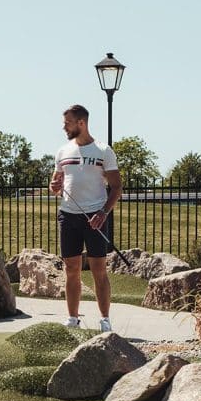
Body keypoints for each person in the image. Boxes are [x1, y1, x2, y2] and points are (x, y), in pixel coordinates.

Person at [48, 104, 123, 332]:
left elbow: (117, 187)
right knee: (71, 267)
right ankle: (72, 318)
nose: (64, 127)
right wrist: (54, 186)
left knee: (98, 268)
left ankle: (105, 319)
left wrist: (103, 213)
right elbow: (56, 185)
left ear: (81, 123)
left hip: (95, 216)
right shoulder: (62, 152)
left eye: (67, 122)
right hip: (68, 215)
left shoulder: (103, 151)